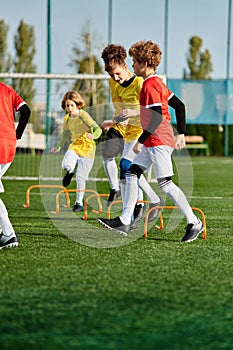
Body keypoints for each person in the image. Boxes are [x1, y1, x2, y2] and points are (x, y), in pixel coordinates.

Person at [98, 40, 204, 242]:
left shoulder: (149, 85)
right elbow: (179, 106)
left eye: (135, 62)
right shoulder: (157, 83)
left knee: (166, 184)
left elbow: (155, 117)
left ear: (144, 63)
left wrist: (140, 141)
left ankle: (194, 222)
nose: (133, 66)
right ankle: (125, 220)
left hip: (158, 140)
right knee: (131, 171)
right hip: (156, 138)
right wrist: (180, 132)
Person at [101, 44, 164, 227]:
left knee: (127, 166)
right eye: (111, 75)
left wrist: (133, 111)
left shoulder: (140, 83)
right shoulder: (113, 84)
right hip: (126, 131)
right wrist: (112, 123)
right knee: (128, 170)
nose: (115, 78)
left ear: (126, 66)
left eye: (118, 74)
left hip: (142, 132)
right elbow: (121, 112)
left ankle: (130, 215)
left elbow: (150, 111)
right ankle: (147, 202)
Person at [51, 90, 102, 212]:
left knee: (81, 177)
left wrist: (93, 135)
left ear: (77, 104)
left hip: (88, 148)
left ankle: (78, 203)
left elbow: (97, 128)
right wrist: (58, 146)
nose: (69, 108)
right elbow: (65, 134)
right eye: (67, 105)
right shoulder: (67, 119)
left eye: (72, 105)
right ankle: (70, 172)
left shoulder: (83, 115)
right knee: (66, 165)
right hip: (74, 146)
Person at [0, 81, 31, 249]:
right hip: (8, 145)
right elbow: (26, 111)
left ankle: (8, 234)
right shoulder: (7, 90)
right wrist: (17, 133)